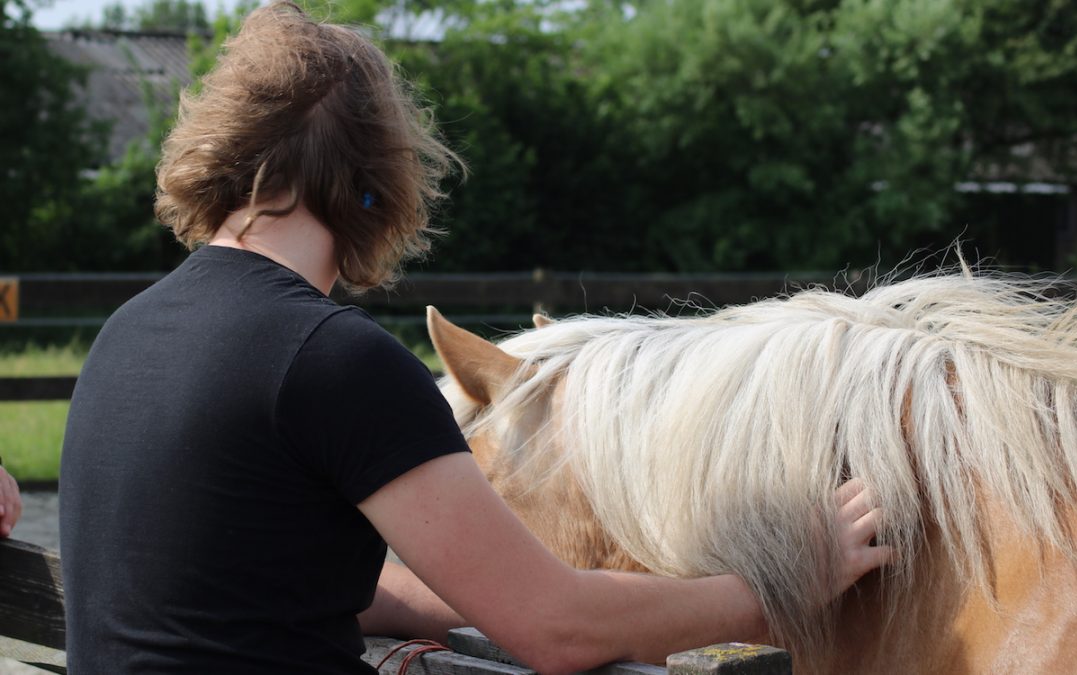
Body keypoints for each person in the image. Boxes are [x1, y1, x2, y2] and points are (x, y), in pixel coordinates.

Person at [59, 3, 892, 673]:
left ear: (224, 159)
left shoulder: (124, 338)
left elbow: (264, 588)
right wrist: (784, 579)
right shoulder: (333, 359)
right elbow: (556, 631)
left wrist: (476, 589)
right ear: (376, 195)